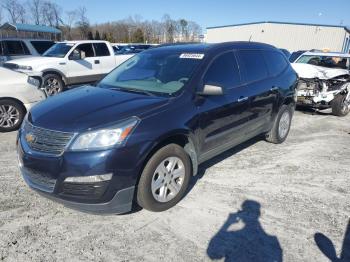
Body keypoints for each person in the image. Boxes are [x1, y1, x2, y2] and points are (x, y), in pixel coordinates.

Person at [207, 200, 282, 262]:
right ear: (258, 214)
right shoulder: (272, 241)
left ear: (242, 216)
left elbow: (212, 254)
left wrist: (228, 223)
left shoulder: (233, 237)